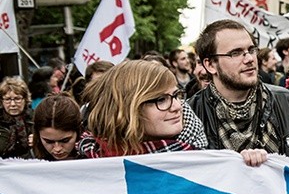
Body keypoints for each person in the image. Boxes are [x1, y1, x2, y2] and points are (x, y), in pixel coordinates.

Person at [189, 20, 289, 163]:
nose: (249, 59)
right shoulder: (191, 114)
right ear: (211, 65)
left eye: (251, 50)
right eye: (235, 53)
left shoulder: (287, 102)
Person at [77, 60, 212, 158]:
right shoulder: (88, 164)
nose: (177, 106)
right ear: (126, 108)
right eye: (161, 99)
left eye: (176, 95)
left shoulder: (201, 158)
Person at [32, 94, 82, 161]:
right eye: (48, 142)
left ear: (78, 131)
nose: (57, 149)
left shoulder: (95, 156)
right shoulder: (27, 159)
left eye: (65, 140)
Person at [0, 77, 33, 159]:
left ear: (25, 99)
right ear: (1, 101)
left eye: (17, 99)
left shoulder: (35, 118)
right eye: (7, 99)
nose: (13, 104)